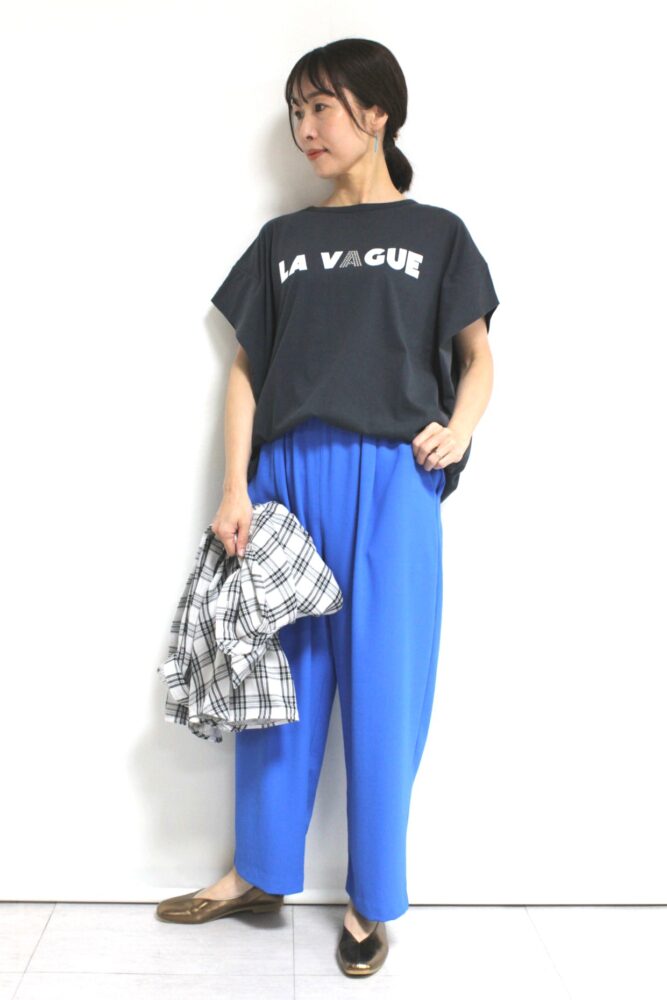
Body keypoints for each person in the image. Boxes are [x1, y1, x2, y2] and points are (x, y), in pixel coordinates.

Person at [156, 37, 500, 978]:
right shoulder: (284, 242)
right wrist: (235, 485)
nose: (304, 128)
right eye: (295, 111)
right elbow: (245, 371)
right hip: (288, 482)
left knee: (386, 688)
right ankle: (258, 872)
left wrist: (459, 430)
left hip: (392, 479)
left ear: (376, 113)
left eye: (320, 107)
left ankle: (368, 901)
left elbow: (477, 357)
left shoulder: (438, 234)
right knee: (277, 684)